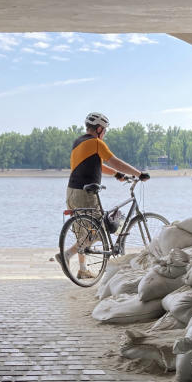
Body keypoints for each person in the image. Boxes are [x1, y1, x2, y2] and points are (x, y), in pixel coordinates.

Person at [56, 112, 149, 277]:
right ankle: (67, 255)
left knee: (82, 230)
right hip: (85, 194)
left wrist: (116, 175)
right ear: (99, 129)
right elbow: (115, 161)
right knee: (101, 230)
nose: (105, 133)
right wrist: (139, 173)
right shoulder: (96, 143)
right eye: (104, 130)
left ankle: (83, 270)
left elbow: (99, 165)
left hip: (71, 191)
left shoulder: (78, 142)